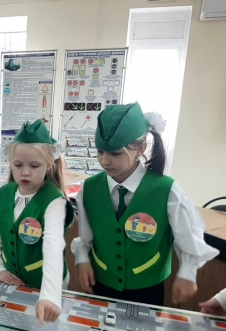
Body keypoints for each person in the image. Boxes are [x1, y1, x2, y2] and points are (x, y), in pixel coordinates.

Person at [72, 103, 218, 306]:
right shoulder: (89, 189)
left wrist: (188, 272)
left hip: (146, 288)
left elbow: (189, 237)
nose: (105, 161)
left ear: (140, 149)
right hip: (100, 282)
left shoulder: (166, 190)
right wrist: (82, 260)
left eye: (115, 153)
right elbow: (86, 236)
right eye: (100, 151)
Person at [0, 120, 74, 324]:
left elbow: (53, 246)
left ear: (48, 165)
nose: (25, 172)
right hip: (12, 281)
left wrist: (50, 295)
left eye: (34, 166)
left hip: (46, 284)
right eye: (18, 165)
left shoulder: (54, 200)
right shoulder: (5, 192)